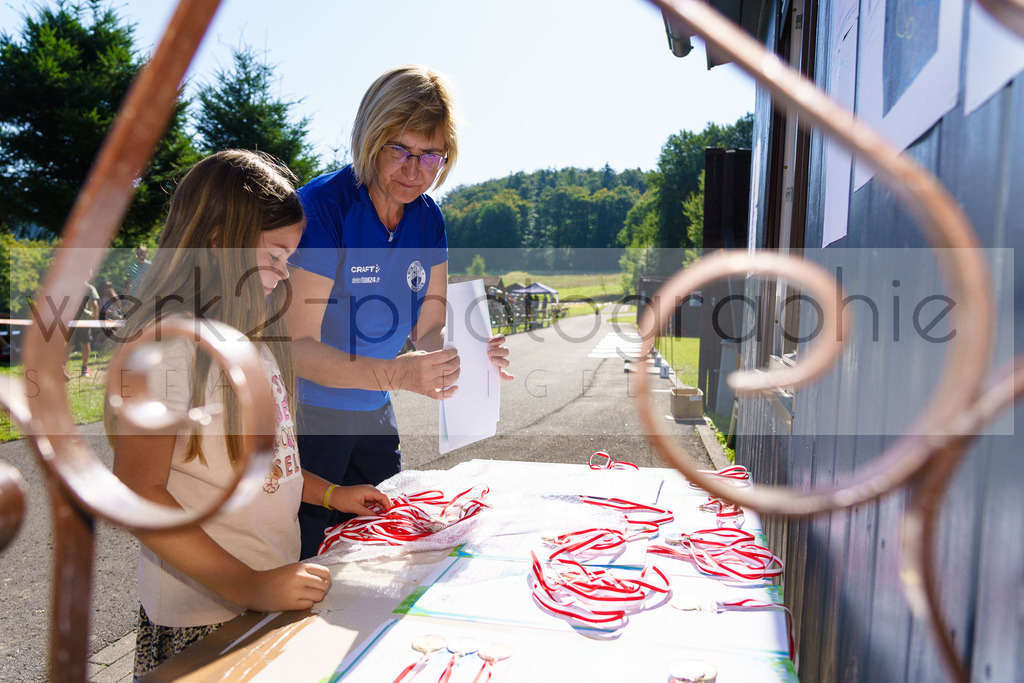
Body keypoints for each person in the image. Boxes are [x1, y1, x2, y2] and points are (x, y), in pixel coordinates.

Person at [107, 150, 392, 678]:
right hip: (203, 615)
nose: (285, 276)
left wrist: (331, 493)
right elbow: (137, 491)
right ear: (220, 242)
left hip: (262, 590)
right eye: (276, 255)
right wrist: (246, 584)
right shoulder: (166, 350)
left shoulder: (251, 343)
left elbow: (268, 459)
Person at [284, 64, 512, 559]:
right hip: (309, 422)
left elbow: (429, 327)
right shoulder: (323, 207)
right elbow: (295, 347)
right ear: (371, 139)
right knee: (305, 561)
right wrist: (396, 373)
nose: (416, 172)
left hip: (375, 416)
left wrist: (465, 355)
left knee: (383, 554)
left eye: (432, 156)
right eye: (401, 150)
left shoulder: (428, 218)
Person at [66, 276, 99, 378]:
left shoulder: (71, 286)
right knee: (85, 343)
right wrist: (95, 316)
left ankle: (61, 367)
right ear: (90, 276)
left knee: (70, 344)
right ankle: (84, 368)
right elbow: (94, 304)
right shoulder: (89, 288)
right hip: (85, 320)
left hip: (72, 319)